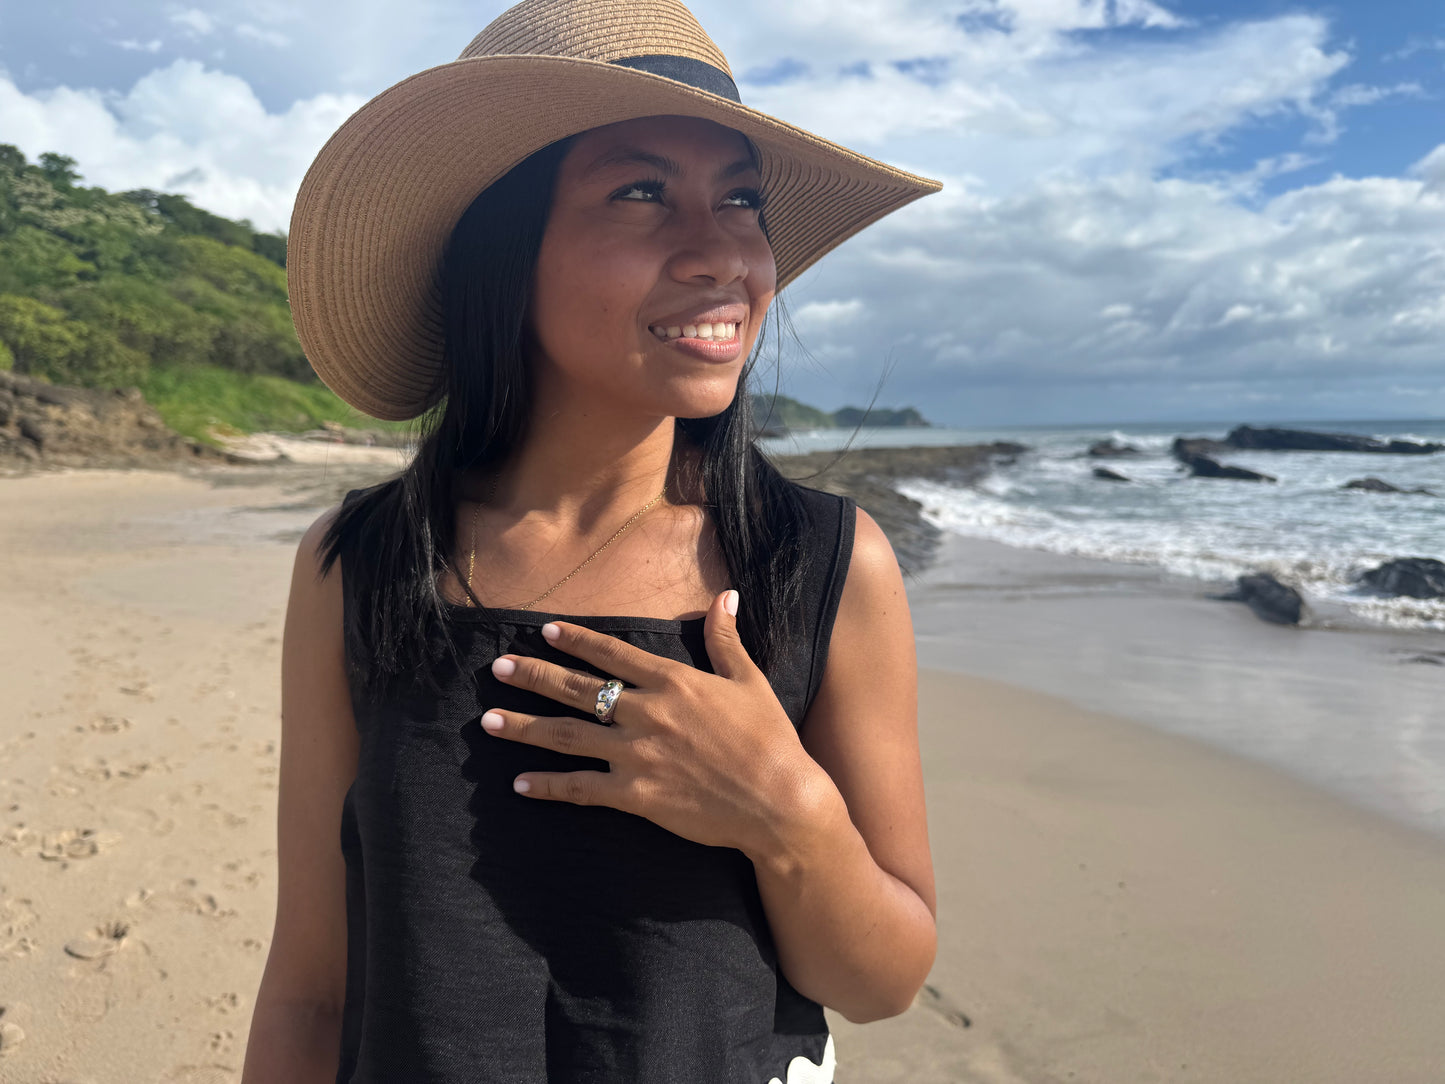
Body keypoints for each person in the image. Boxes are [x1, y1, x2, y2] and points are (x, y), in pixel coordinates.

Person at [242, 1, 940, 1080]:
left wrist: (785, 812)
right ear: (501, 247)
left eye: (741, 199)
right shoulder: (363, 564)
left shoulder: (821, 565)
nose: (722, 252)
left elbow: (881, 982)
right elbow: (309, 989)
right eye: (641, 191)